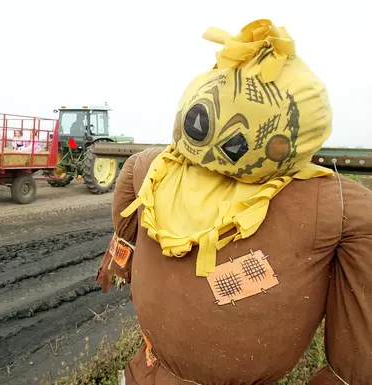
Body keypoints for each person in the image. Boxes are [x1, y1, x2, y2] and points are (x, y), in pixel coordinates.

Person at [96, 19, 372, 385]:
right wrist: (124, 252)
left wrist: (347, 374)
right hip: (149, 369)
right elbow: (131, 176)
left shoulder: (326, 203)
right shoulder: (158, 168)